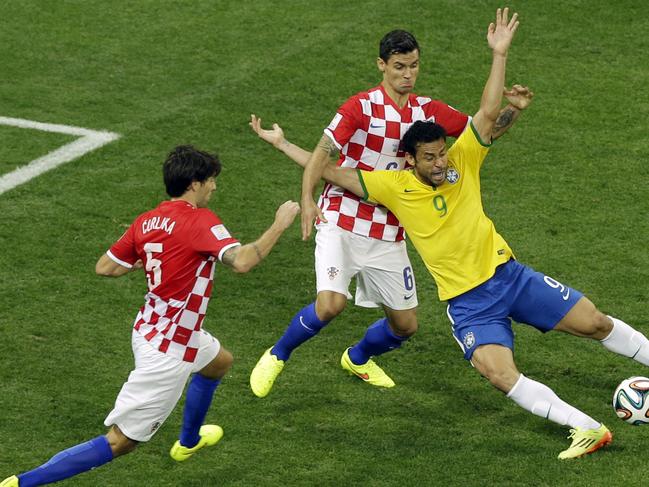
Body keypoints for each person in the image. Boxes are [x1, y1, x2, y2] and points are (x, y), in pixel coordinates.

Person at [272, 7, 649, 459]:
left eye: (441, 153)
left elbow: (487, 113)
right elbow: (332, 169)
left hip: (510, 277)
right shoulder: (391, 185)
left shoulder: (463, 160)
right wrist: (284, 147)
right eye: (429, 157)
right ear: (409, 160)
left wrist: (500, 57)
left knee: (596, 323)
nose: (440, 162)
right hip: (468, 304)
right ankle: (587, 429)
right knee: (499, 374)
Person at [249, 21, 532, 397]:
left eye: (413, 66)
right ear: (382, 65)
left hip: (388, 229)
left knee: (405, 326)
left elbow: (483, 130)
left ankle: (358, 358)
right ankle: (278, 354)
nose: (408, 74)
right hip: (342, 218)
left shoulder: (427, 111)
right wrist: (307, 197)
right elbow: (324, 153)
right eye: (399, 66)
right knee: (330, 304)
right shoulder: (360, 107)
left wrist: (513, 109)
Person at [1, 146, 300, 487]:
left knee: (218, 362)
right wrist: (278, 225)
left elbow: (106, 267)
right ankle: (20, 483)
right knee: (121, 441)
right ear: (194, 183)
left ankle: (188, 442)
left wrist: (152, 260)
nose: (214, 187)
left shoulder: (147, 220)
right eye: (211, 180)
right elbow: (243, 261)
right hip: (169, 349)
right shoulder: (199, 220)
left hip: (152, 327)